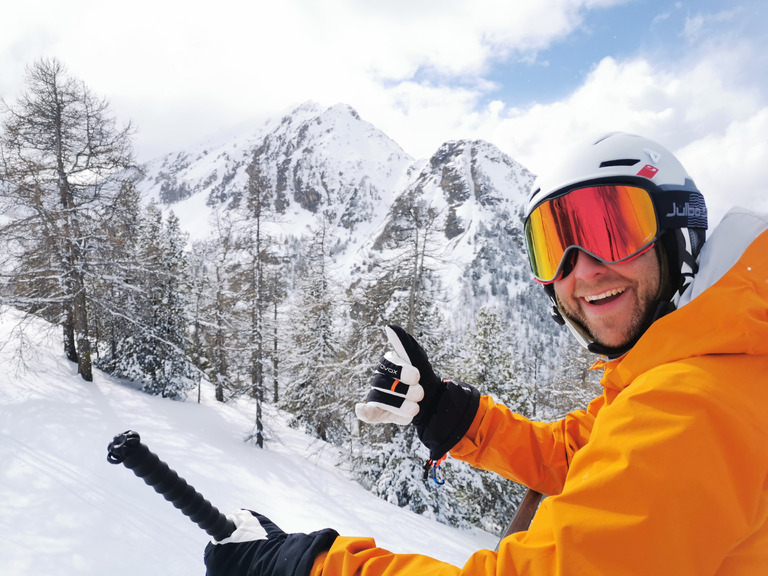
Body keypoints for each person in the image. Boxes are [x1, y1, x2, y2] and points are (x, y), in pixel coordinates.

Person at [204, 132, 768, 575]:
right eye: (556, 250)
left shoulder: (692, 406)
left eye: (611, 230)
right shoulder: (701, 362)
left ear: (679, 233)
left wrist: (312, 566)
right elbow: (578, 454)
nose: (584, 270)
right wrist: (449, 414)